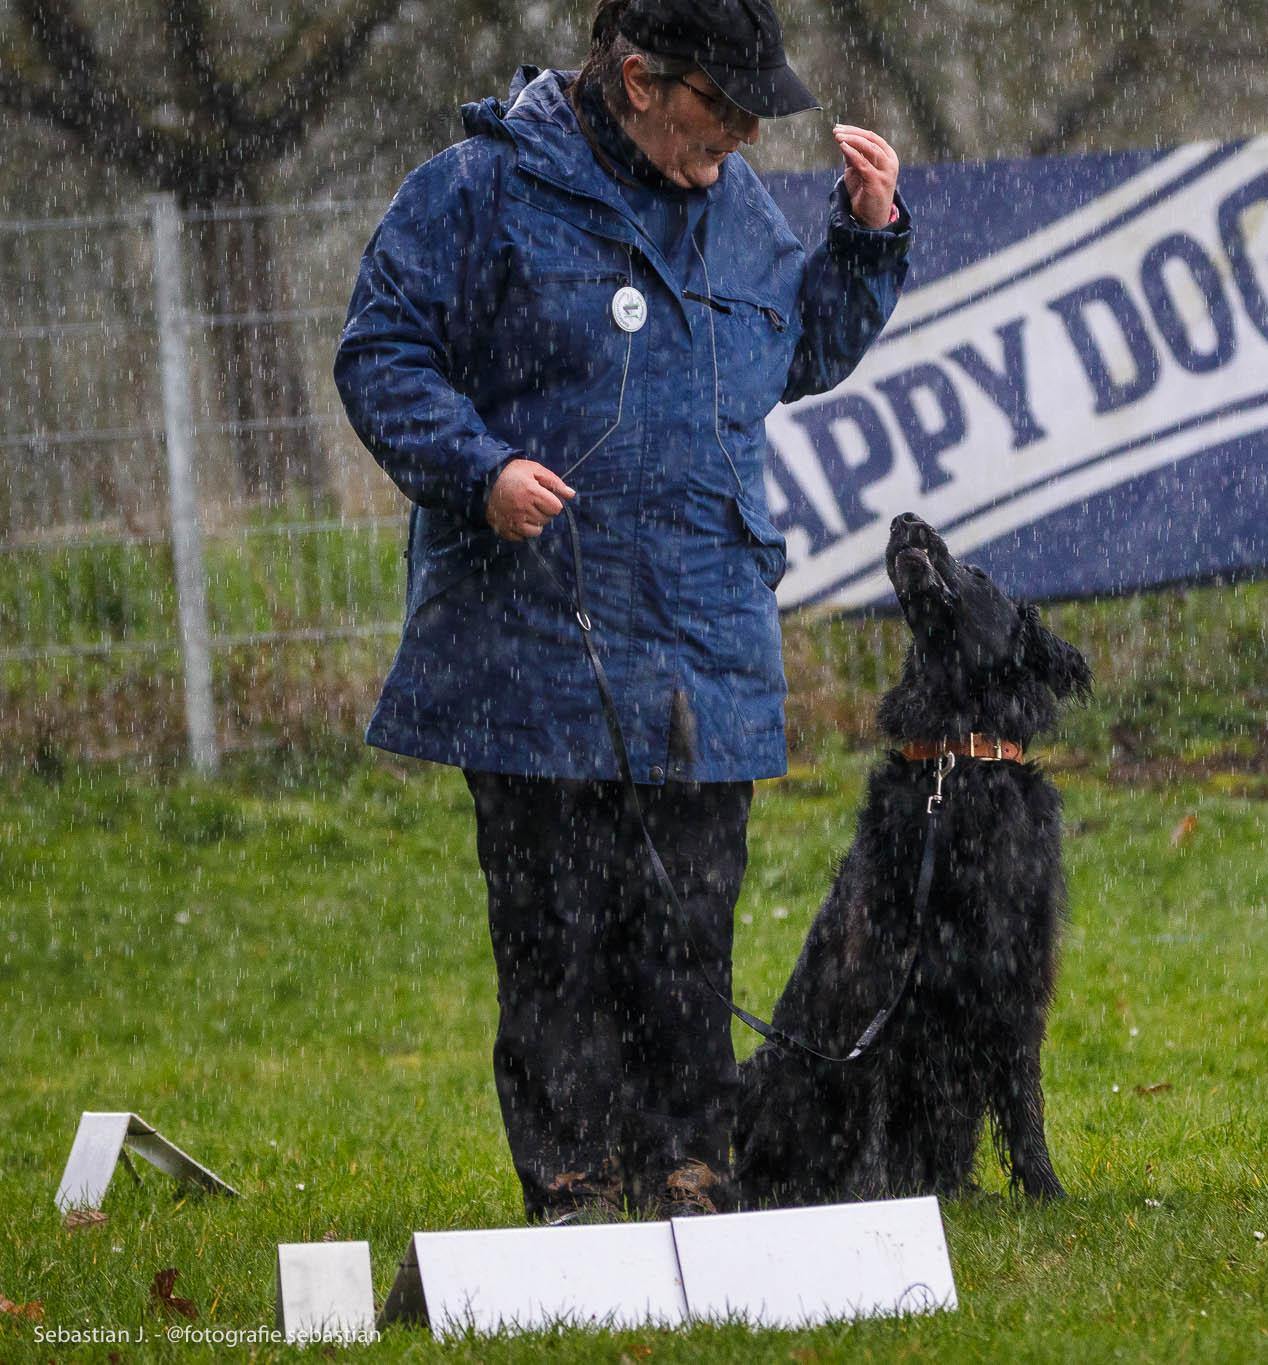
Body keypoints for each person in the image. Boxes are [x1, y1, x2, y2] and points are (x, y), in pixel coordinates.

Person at [333, 0, 910, 1223]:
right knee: (556, 932)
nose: (745, 135)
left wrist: (865, 241)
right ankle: (576, 1190)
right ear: (639, 79)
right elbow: (381, 352)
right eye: (723, 106)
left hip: (704, 637)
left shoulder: (738, 208)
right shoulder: (477, 191)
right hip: (533, 640)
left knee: (686, 924)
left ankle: (691, 1175)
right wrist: (479, 470)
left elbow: (796, 353)